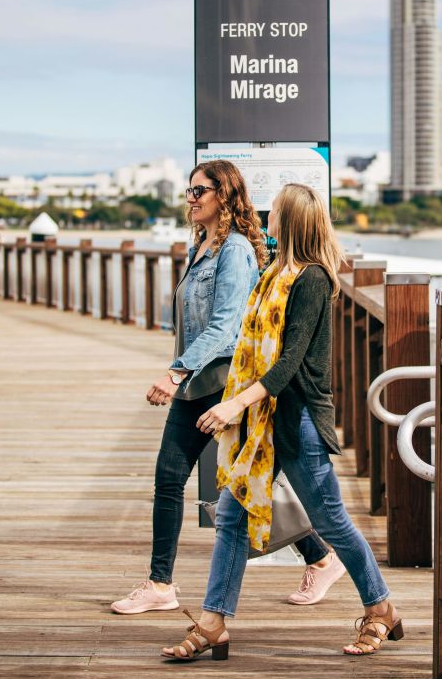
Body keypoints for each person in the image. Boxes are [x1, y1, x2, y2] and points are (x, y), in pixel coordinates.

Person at [160, 183, 403, 661]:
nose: (268, 219)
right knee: (231, 515)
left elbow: (288, 364)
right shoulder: (272, 273)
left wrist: (231, 405)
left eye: (276, 214)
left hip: (299, 421)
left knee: (330, 520)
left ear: (289, 221)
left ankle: (382, 608)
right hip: (264, 420)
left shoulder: (311, 280)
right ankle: (213, 623)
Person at [111, 162, 344, 615]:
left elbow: (225, 326)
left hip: (226, 384)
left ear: (225, 195)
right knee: (170, 478)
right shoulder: (200, 246)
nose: (191, 197)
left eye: (201, 190)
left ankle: (323, 557)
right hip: (198, 384)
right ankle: (161, 584)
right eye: (189, 189)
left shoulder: (235, 250)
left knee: (247, 485)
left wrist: (176, 371)